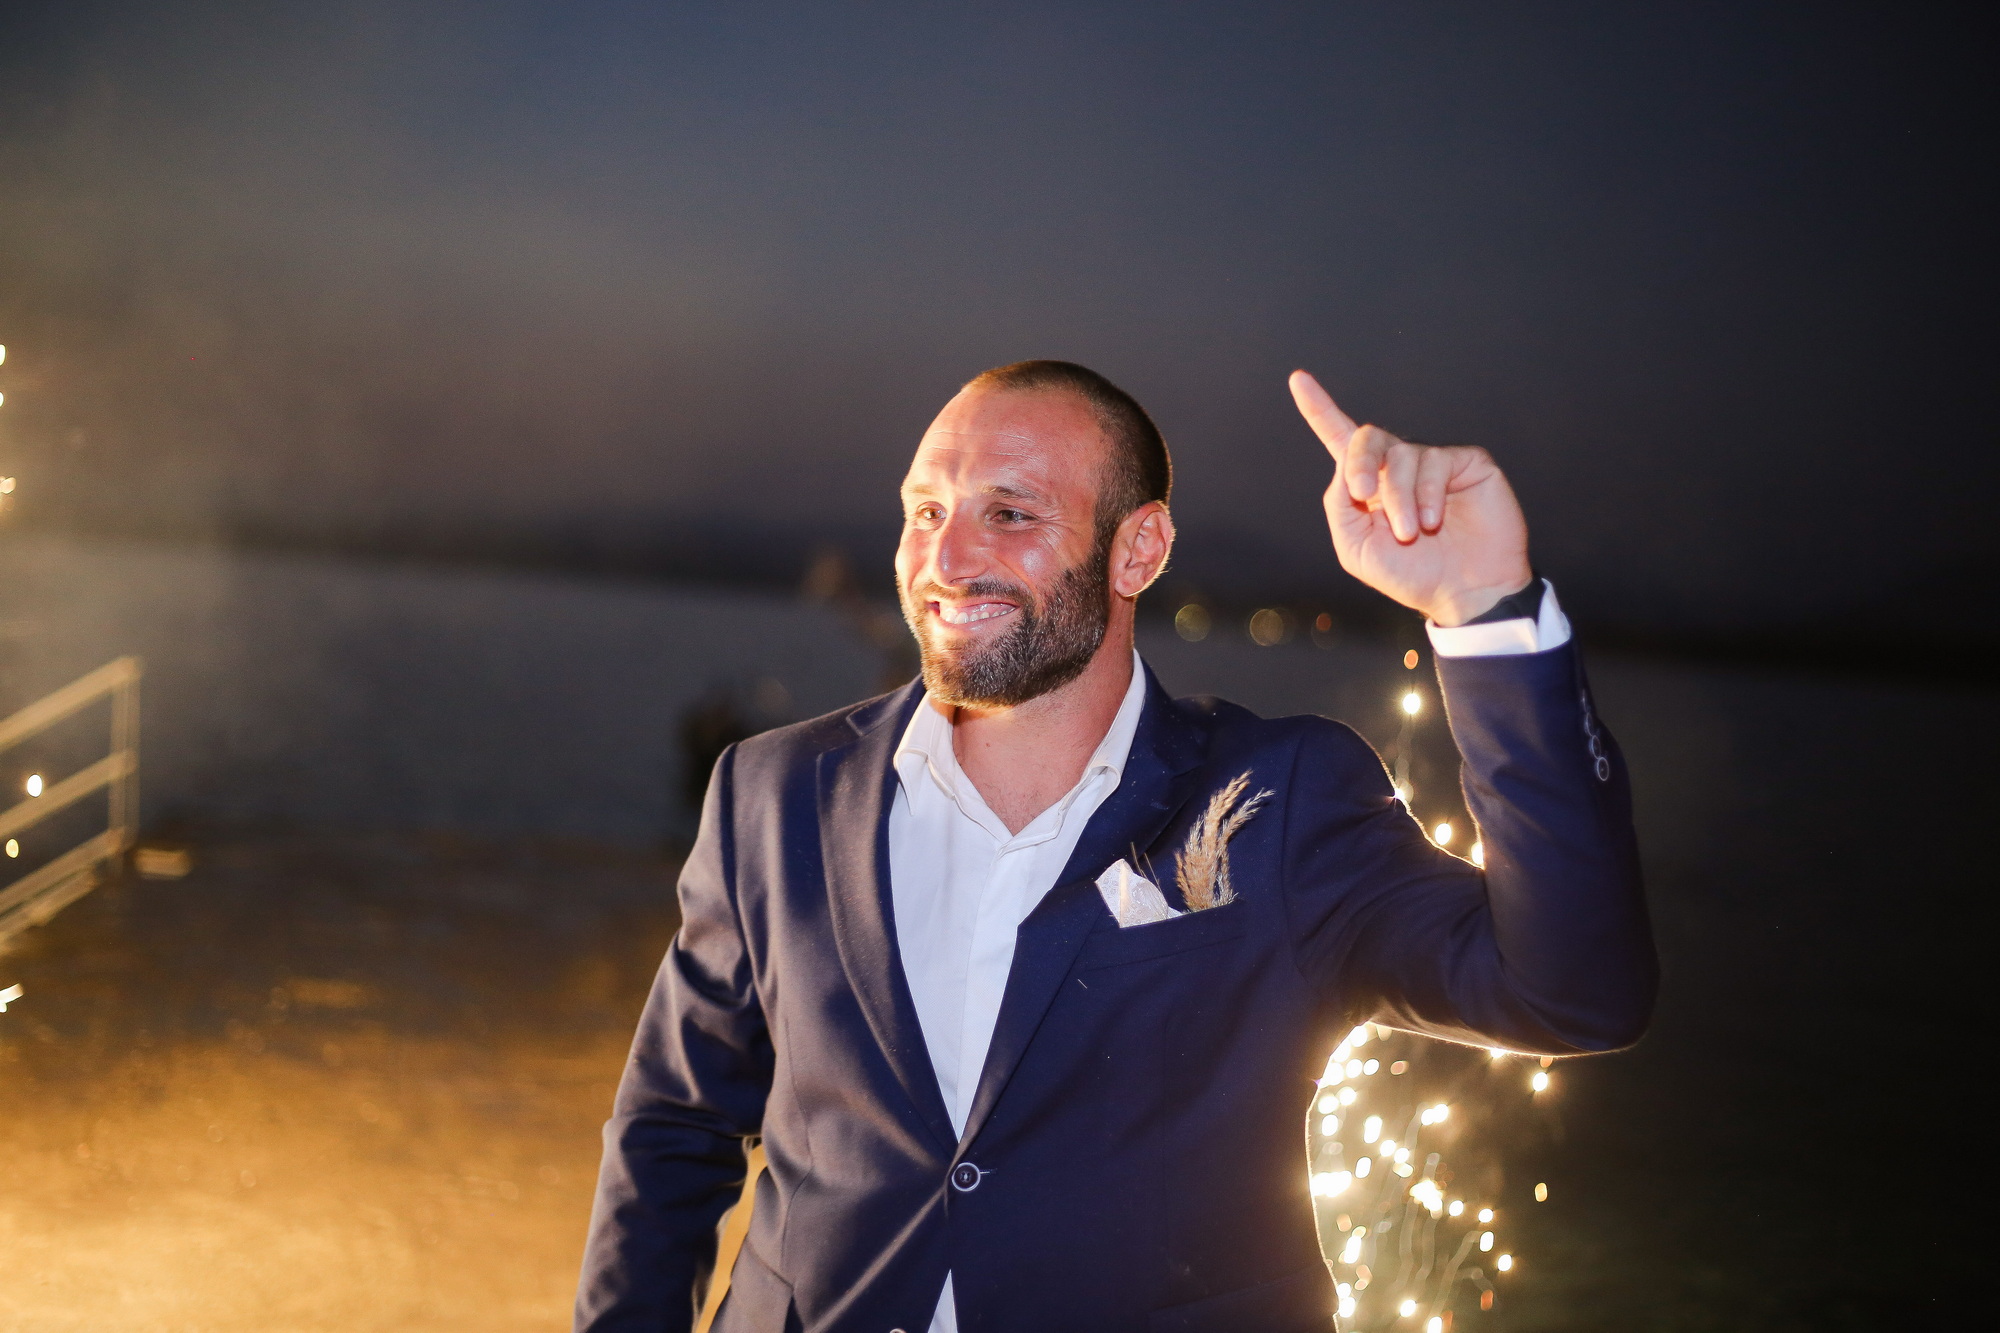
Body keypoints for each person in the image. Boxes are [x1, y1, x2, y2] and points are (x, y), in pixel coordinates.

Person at [575, 360, 1655, 1333]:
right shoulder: (771, 791)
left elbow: (1575, 994)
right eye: (926, 511)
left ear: (1138, 548)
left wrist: (1484, 610)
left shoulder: (1281, 796)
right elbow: (674, 1125)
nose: (945, 557)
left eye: (1009, 513)